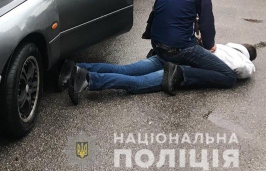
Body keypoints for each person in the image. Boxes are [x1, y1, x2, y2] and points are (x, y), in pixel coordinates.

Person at [61, 42, 256, 104]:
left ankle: (77, 67)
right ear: (248, 54)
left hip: (168, 56)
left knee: (126, 69)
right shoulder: (244, 61)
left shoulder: (219, 46)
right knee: (136, 84)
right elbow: (242, 71)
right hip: (177, 70)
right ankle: (88, 78)